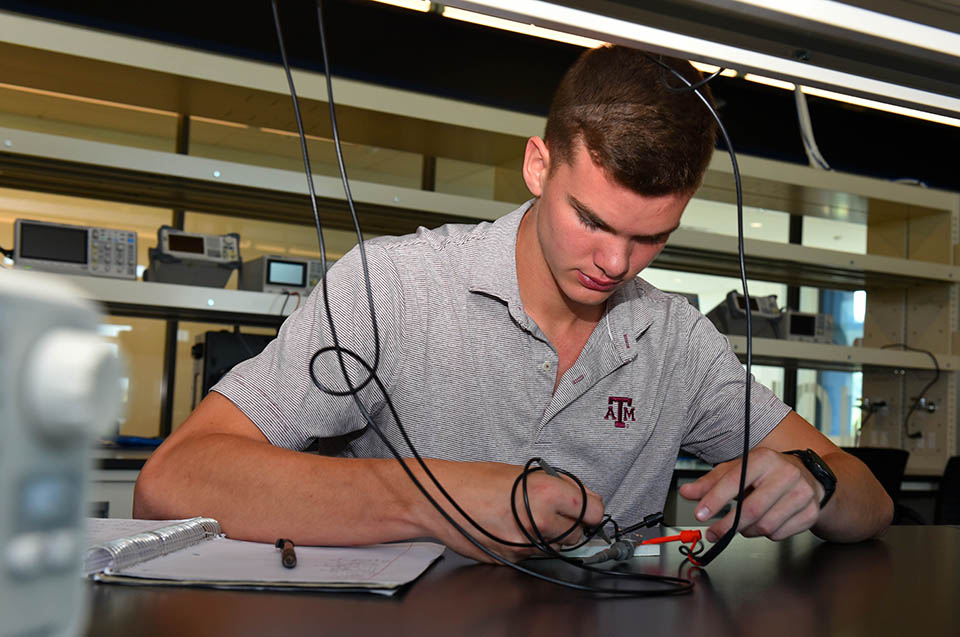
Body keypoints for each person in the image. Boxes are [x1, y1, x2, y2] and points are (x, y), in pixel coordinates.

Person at [134, 45, 892, 563]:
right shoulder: (392, 287)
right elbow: (173, 480)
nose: (615, 262)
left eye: (651, 236)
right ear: (538, 164)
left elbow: (870, 501)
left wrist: (816, 480)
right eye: (591, 219)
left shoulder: (676, 341)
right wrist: (442, 497)